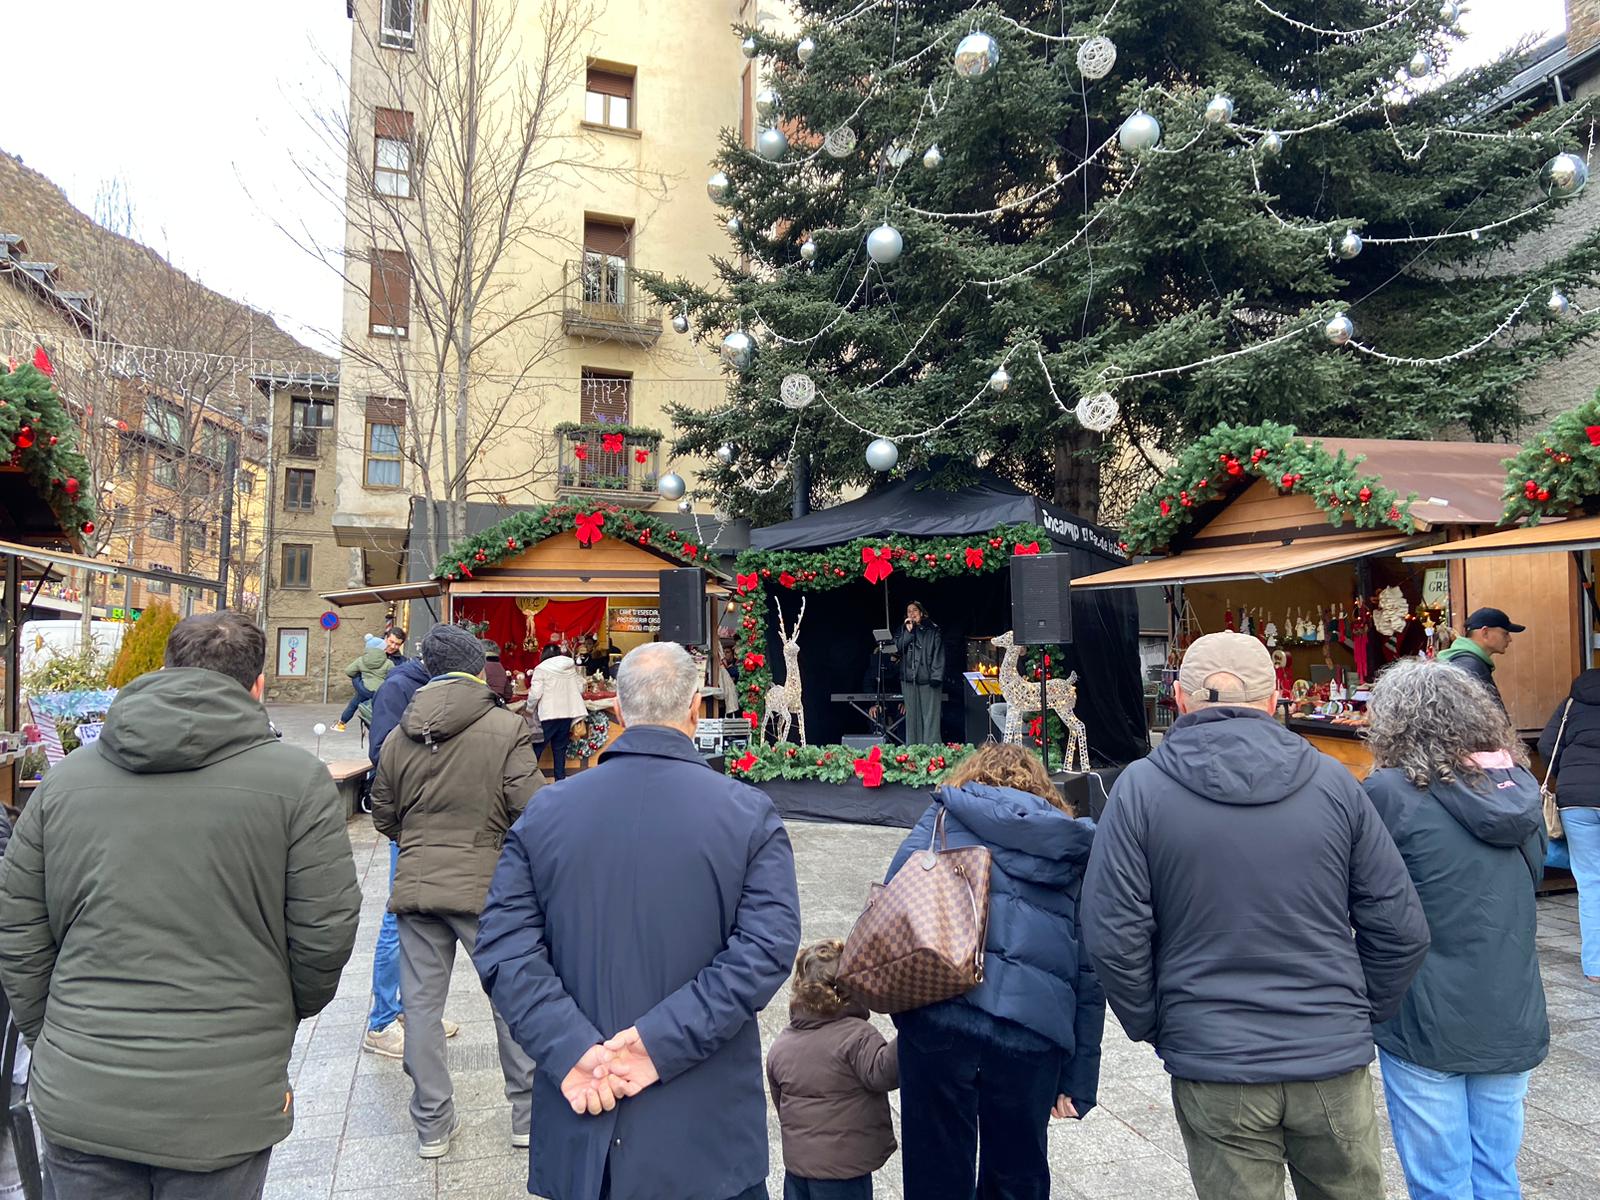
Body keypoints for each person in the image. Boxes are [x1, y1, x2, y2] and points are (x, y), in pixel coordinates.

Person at [0, 612, 361, 1199]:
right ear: (258, 685)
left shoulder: (65, 784)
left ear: (164, 669)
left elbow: (20, 930)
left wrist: (55, 1036)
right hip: (223, 1097)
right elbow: (324, 934)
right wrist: (272, 1015)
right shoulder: (298, 784)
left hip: (84, 1087)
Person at [1082, 631, 1430, 1200]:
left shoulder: (1138, 789)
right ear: (1274, 700)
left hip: (1215, 1057)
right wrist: (1354, 1012)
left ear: (1179, 697)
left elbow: (1111, 935)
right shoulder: (1335, 782)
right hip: (1327, 1054)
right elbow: (1401, 929)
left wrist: (1158, 1022)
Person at [474, 641, 801, 1200]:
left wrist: (573, 1048)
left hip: (585, 1124)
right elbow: (764, 952)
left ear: (619, 713)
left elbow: (504, 948)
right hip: (706, 1141)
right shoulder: (748, 815)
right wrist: (656, 1044)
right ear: (696, 709)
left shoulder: (547, 812)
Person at [1364, 658, 1548, 1200]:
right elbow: (1531, 877)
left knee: (1440, 1184)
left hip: (1423, 1011)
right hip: (1510, 1006)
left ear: (1394, 722)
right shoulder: (1519, 785)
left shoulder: (1388, 793)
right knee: (1497, 1174)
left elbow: (1362, 897)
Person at [885, 742, 1103, 1200]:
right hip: (1031, 1032)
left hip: (940, 1012)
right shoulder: (1070, 845)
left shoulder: (943, 816)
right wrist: (1078, 1080)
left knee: (934, 1172)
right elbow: (1089, 968)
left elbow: (893, 905)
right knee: (1018, 1176)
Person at [371, 624, 542, 1157]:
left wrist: (419, 841)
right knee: (510, 1000)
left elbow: (381, 812)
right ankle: (528, 1119)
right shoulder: (504, 726)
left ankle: (432, 1127)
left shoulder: (402, 733)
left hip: (417, 887)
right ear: (475, 669)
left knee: (420, 1009)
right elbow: (531, 808)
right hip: (487, 888)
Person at [360, 631, 447, 1059]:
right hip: (410, 820)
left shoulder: (437, 688)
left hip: (438, 817)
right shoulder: (399, 688)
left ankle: (411, 1011)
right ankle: (379, 1024)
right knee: (398, 919)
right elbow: (381, 752)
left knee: (425, 916)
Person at [767, 939, 898, 1200]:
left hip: (799, 1171)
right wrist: (912, 1033)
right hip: (844, 1172)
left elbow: (781, 1102)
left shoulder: (782, 1045)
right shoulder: (857, 1036)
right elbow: (885, 1072)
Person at [1540, 668, 1600, 983]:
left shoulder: (1571, 703)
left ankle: (1596, 968)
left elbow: (1548, 745)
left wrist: (1570, 770)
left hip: (1576, 798)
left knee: (1591, 882)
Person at [1439, 607, 1524, 711]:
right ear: (1485, 632)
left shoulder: (1465, 661)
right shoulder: (1471, 667)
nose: (1509, 639)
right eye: (1505, 633)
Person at [530, 641, 587, 781]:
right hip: (567, 714)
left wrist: (529, 708)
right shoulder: (569, 667)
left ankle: (528, 780)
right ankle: (560, 782)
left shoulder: (541, 669)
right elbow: (580, 687)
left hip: (548, 715)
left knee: (536, 750)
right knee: (560, 751)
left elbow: (535, 694)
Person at [894, 601, 944, 746]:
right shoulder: (903, 630)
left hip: (928, 679)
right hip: (909, 679)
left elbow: (938, 655)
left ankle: (932, 749)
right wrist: (909, 633)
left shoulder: (933, 630)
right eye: (909, 611)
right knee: (912, 718)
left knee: (930, 717)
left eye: (915, 611)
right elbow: (897, 648)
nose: (912, 614)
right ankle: (913, 749)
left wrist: (936, 676)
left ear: (921, 613)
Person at [335, 633, 393, 731]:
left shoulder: (361, 660)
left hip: (363, 689)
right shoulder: (388, 663)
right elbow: (393, 675)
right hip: (379, 691)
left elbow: (348, 671)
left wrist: (358, 676)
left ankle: (341, 723)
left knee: (353, 705)